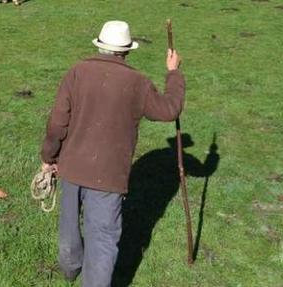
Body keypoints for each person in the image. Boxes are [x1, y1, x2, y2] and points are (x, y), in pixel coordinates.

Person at [40, 20, 185, 287]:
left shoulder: (77, 72)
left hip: (71, 166)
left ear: (100, 45)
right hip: (109, 176)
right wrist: (173, 73)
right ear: (127, 51)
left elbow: (57, 122)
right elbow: (169, 110)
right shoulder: (138, 82)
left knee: (69, 225)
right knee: (103, 237)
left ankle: (71, 269)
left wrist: (49, 156)